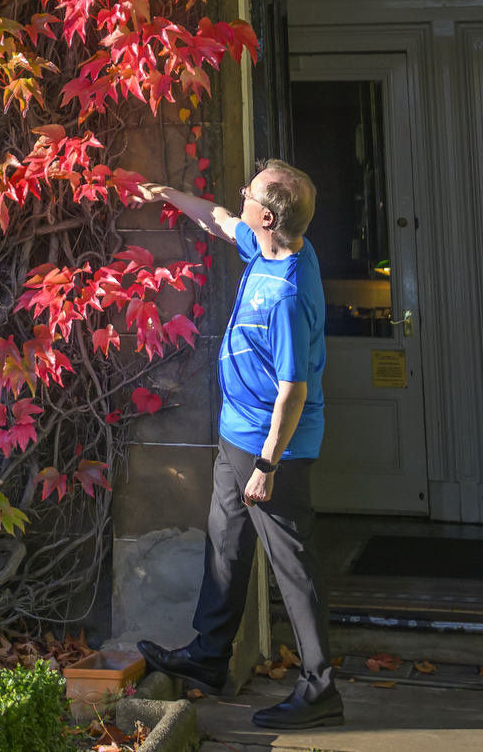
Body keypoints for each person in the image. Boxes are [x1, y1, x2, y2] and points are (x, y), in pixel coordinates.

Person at [135, 160, 338, 730]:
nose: (239, 197)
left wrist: (268, 464)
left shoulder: (289, 292)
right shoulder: (265, 247)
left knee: (292, 567)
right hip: (236, 435)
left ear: (269, 216)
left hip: (276, 451)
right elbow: (219, 220)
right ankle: (209, 657)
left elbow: (292, 389)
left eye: (248, 194)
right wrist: (170, 193)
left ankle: (320, 689)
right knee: (225, 544)